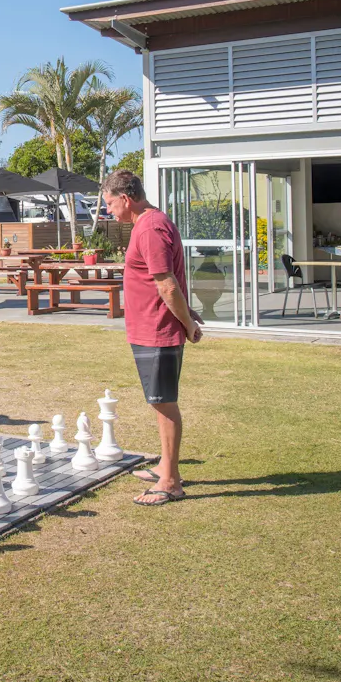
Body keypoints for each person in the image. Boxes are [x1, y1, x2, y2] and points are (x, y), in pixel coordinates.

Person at [99, 169, 203, 507]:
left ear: (126, 199)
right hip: (151, 328)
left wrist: (187, 323)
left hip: (158, 330)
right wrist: (189, 315)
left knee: (163, 401)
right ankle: (165, 466)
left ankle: (171, 482)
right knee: (158, 400)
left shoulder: (151, 228)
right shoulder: (150, 223)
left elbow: (167, 285)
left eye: (111, 205)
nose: (110, 212)